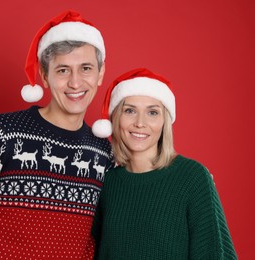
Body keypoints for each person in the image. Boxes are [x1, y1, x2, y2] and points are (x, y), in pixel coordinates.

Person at [0, 10, 114, 259]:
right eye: (62, 70)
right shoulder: (1, 133)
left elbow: (106, 234)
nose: (75, 82)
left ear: (100, 74)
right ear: (45, 77)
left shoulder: (103, 153)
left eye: (86, 68)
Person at [91, 68, 237, 259]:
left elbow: (214, 253)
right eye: (130, 110)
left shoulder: (192, 177)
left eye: (152, 112)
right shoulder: (106, 183)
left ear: (164, 122)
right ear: (116, 118)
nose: (140, 123)